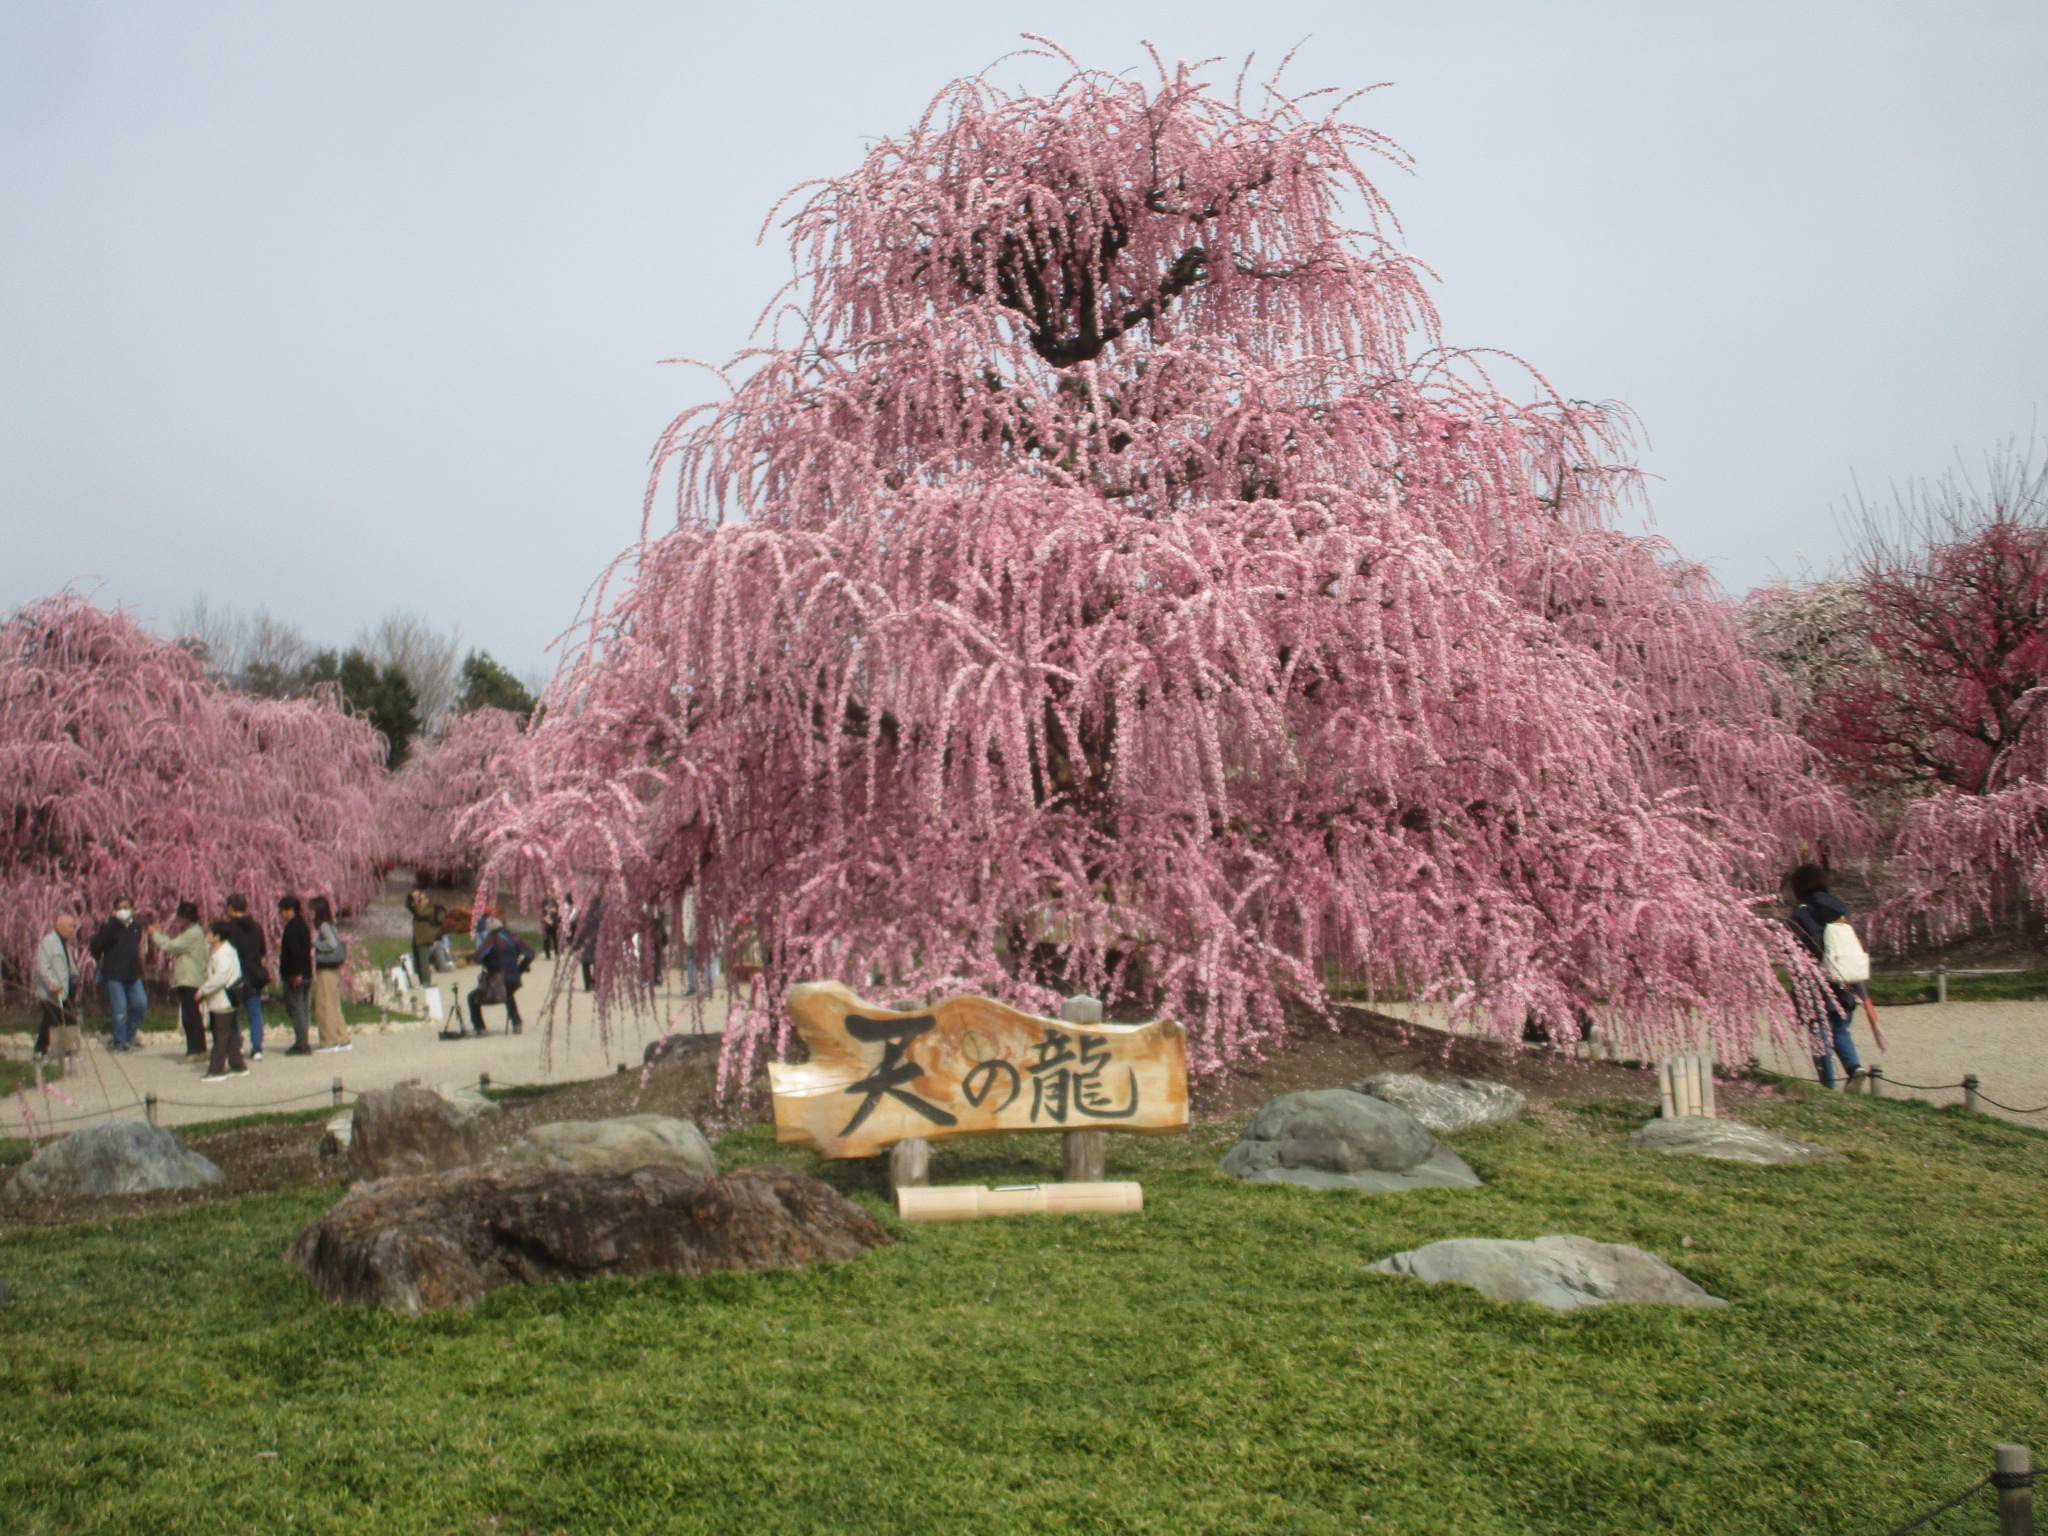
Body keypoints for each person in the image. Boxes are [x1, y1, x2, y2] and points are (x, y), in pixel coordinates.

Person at [1787, 864, 1864, 1089]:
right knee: (1839, 1027)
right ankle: (1854, 1068)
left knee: (1819, 1029)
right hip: (1842, 978)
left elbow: (1793, 948)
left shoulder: (1801, 913)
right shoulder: (1840, 910)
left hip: (1814, 982)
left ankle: (1827, 1084)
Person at [87, 896, 148, 1052]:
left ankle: (129, 1034)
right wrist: (101, 959)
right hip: (114, 974)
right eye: (119, 908)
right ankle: (119, 1042)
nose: (123, 911)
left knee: (140, 1004)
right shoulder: (109, 928)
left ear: (132, 909)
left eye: (126, 907)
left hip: (132, 973)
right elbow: (95, 947)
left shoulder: (136, 927)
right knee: (119, 1010)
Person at [151, 903, 210, 1061]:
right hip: (186, 979)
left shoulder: (193, 933)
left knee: (191, 1016)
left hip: (190, 979)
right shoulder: (190, 932)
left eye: (180, 917)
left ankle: (196, 1050)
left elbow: (172, 946)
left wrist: (156, 935)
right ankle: (197, 1049)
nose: (177, 920)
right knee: (190, 1015)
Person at [196, 918, 249, 1080]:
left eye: (209, 933)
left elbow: (220, 977)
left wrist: (202, 991)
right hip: (222, 999)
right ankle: (237, 1064)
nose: (207, 935)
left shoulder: (225, 953)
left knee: (221, 1034)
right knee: (230, 1033)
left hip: (224, 998)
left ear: (217, 936)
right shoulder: (218, 951)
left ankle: (216, 1069)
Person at [223, 893, 270, 1058]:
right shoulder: (256, 927)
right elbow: (262, 950)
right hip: (254, 973)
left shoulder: (229, 928)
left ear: (230, 908)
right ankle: (257, 1047)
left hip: (236, 974)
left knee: (234, 1011)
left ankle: (237, 1044)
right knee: (255, 1011)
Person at [467, 917, 533, 1035]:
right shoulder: (514, 937)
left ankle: (480, 1027)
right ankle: (517, 1023)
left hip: (498, 977)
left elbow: (478, 956)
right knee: (507, 994)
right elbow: (530, 953)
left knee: (472, 998)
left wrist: (487, 963)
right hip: (515, 978)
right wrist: (520, 969)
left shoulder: (492, 939)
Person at [32, 912, 79, 1062]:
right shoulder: (48, 942)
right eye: (70, 926)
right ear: (60, 926)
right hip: (52, 991)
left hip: (65, 989)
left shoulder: (64, 943)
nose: (73, 929)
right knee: (50, 1019)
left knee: (68, 1018)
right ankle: (40, 1050)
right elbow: (43, 967)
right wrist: (52, 983)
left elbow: (68, 964)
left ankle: (66, 1047)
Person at [309, 895, 352, 1052]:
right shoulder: (331, 925)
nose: (309, 913)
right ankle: (342, 1037)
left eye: (312, 910)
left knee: (324, 1004)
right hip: (333, 970)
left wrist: (315, 944)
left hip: (326, 970)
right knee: (334, 1004)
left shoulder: (324, 927)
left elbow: (331, 944)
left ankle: (328, 1041)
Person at [276, 895, 315, 1056]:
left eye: (282, 910)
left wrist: (295, 973)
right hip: (306, 972)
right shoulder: (303, 925)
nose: (281, 914)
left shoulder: (292, 927)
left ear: (289, 910)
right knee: (303, 1007)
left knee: (296, 1008)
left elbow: (295, 952)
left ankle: (301, 1043)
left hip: (296, 974)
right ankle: (304, 1040)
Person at [406, 887, 444, 988]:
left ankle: (426, 982)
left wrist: (417, 902)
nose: (420, 900)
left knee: (423, 962)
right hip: (417, 938)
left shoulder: (430, 909)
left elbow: (420, 913)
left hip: (424, 938)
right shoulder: (418, 908)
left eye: (421, 898)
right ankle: (421, 982)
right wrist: (411, 898)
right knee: (417, 962)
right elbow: (408, 906)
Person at [540, 895, 562, 960]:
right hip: (546, 924)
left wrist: (557, 921)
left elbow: (559, 914)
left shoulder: (556, 902)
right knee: (546, 940)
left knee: (556, 939)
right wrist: (546, 919)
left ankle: (557, 953)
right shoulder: (544, 902)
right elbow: (542, 912)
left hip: (554, 924)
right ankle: (547, 954)